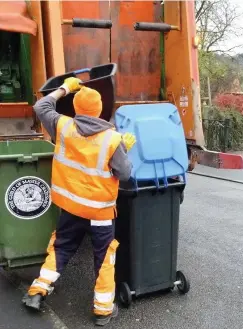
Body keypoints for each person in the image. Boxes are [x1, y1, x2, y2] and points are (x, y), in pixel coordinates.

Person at [22, 77, 136, 326]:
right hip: (100, 214)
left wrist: (64, 88)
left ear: (76, 108)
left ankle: (38, 291)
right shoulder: (112, 140)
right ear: (99, 109)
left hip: (71, 208)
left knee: (61, 247)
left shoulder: (63, 126)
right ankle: (103, 310)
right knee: (104, 257)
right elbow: (126, 175)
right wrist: (124, 149)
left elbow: (41, 107)